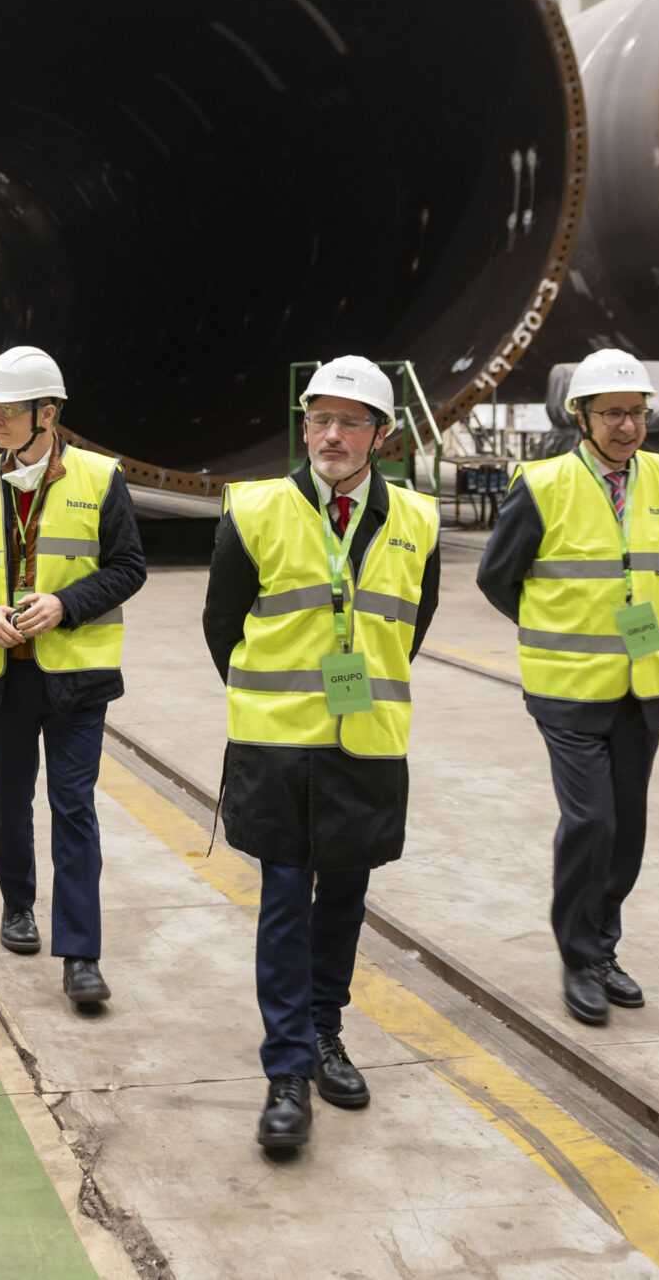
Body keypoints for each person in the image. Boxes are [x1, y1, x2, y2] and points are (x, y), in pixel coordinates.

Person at [203, 356, 440, 1155]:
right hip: (276, 744)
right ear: (304, 425)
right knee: (281, 899)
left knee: (342, 897)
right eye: (320, 420)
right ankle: (287, 1070)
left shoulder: (418, 520)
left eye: (350, 421)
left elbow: (413, 622)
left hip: (367, 739)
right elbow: (221, 626)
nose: (332, 435)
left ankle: (326, 1030)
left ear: (383, 434)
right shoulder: (255, 510)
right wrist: (270, 696)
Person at [474, 349, 659, 1028]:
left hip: (644, 683)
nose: (627, 426)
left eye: (636, 412)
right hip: (567, 688)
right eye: (612, 413)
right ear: (581, 417)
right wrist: (553, 621)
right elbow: (496, 575)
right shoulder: (542, 486)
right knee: (590, 820)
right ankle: (578, 956)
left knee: (626, 827)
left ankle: (603, 948)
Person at [0, 345, 145, 1010]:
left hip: (76, 676)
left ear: (46, 414)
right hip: (5, 676)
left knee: (74, 808)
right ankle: (17, 904)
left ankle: (81, 953)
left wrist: (66, 603)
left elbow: (128, 567)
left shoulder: (100, 478)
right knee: (9, 802)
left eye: (7, 409)